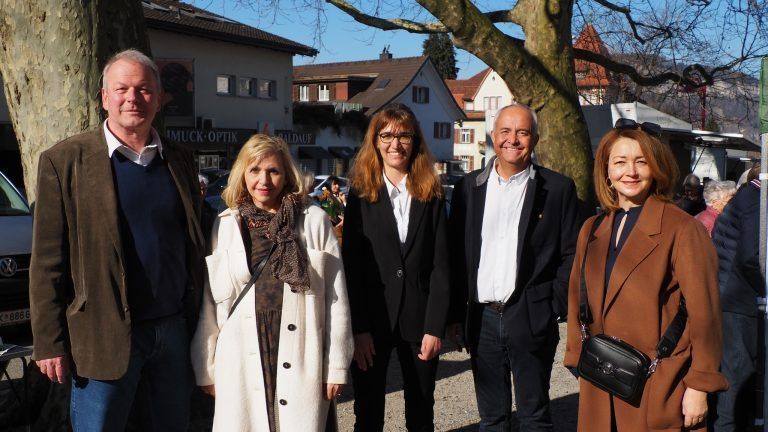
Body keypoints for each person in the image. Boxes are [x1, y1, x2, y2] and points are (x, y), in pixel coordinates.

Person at [29, 49, 205, 430]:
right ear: (104, 97)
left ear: (158, 98)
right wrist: (49, 342)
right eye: (122, 88)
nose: (133, 98)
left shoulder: (179, 159)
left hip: (173, 332)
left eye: (144, 89)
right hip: (100, 334)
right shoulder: (65, 161)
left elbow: (198, 238)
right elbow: (46, 263)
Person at [563, 120, 727, 431]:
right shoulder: (593, 228)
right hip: (600, 377)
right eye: (620, 162)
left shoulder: (682, 228)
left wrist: (700, 386)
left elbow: (705, 314)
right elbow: (576, 297)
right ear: (607, 170)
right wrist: (576, 357)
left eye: (641, 162)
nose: (631, 172)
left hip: (659, 382)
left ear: (656, 168)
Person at [191, 134, 353, 431]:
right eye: (254, 170)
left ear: (286, 175)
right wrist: (206, 365)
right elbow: (211, 300)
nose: (263, 179)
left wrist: (336, 365)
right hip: (241, 351)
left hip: (301, 345)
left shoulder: (313, 220)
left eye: (273, 171)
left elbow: (336, 298)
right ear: (243, 174)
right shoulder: (226, 223)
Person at [449, 103, 581, 431]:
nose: (513, 139)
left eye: (522, 132)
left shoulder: (558, 189)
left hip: (531, 316)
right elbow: (455, 254)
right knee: (492, 419)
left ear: (534, 139)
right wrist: (454, 315)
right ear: (493, 136)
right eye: (505, 131)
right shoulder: (468, 189)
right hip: (482, 319)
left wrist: (553, 304)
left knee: (534, 415)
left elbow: (571, 254)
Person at [342, 103, 450, 431]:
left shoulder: (432, 194)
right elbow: (352, 268)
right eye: (386, 135)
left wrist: (435, 326)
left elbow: (441, 265)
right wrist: (358, 329)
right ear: (375, 142)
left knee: (420, 409)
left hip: (419, 320)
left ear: (415, 141)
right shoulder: (360, 196)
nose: (395, 143)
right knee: (368, 410)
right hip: (372, 322)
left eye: (404, 135)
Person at [712, 168, 763, 431]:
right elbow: (751, 257)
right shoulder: (757, 201)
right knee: (737, 379)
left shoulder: (748, 196)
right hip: (739, 303)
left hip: (732, 297)